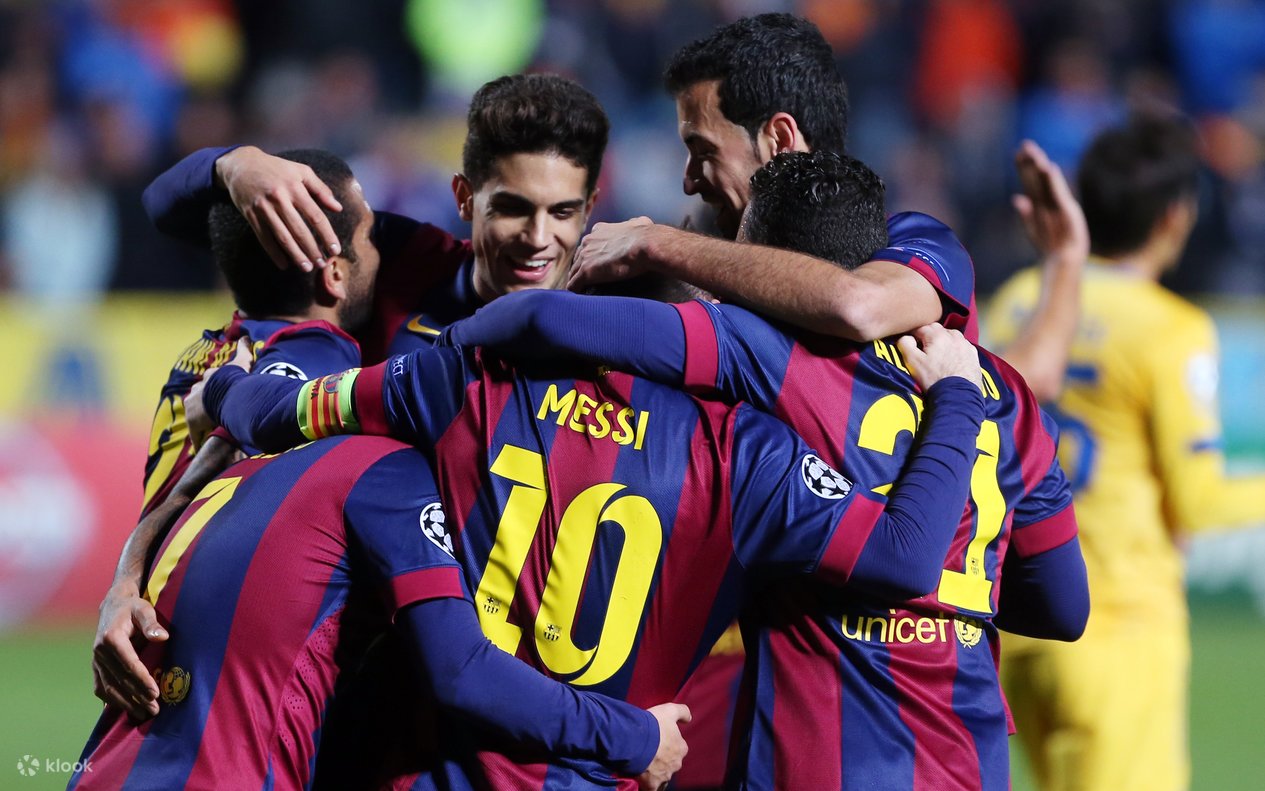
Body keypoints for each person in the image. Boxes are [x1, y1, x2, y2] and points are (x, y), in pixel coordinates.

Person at [445, 150, 1089, 789]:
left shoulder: (768, 351)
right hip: (969, 765)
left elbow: (540, 317)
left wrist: (439, 358)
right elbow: (1064, 608)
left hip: (814, 766)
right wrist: (955, 602)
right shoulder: (1006, 394)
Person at [190, 289, 986, 791]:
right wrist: (955, 396)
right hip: (601, 769)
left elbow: (279, 414)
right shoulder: (748, 453)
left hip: (425, 769)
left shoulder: (463, 379)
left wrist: (221, 387)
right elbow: (905, 554)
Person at [71, 434, 689, 790]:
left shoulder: (244, 469)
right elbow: (461, 670)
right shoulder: (388, 472)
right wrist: (635, 737)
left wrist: (121, 581)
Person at [990, 114, 1265, 791]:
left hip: (1019, 621)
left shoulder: (1022, 299)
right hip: (1118, 630)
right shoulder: (1169, 330)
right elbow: (1197, 500)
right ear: (1176, 215)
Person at [93, 149, 378, 719]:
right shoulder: (311, 359)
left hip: (155, 628)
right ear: (334, 273)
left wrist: (124, 580)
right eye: (370, 235)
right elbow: (244, 443)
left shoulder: (216, 346)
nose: (381, 249)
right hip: (227, 668)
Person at [142, 73, 609, 362]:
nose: (538, 237)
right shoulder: (394, 257)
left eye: (562, 212)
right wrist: (231, 165)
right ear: (465, 198)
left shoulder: (614, 316)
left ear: (589, 209)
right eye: (513, 208)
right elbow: (166, 212)